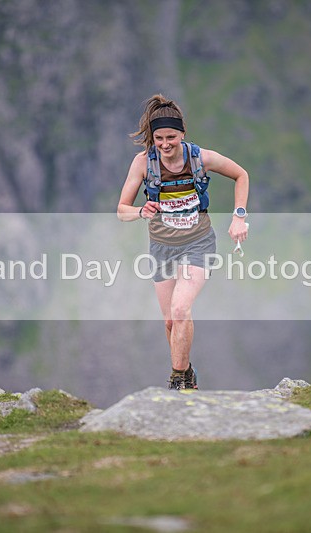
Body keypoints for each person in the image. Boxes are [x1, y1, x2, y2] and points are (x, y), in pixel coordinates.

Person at [117, 94, 249, 390]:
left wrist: (239, 215)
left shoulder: (201, 158)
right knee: (169, 322)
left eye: (171, 137)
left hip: (199, 244)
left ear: (183, 134)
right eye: (159, 138)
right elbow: (121, 210)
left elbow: (241, 174)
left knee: (180, 309)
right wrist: (141, 210)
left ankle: (177, 381)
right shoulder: (142, 164)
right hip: (162, 248)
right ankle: (187, 372)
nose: (165, 144)